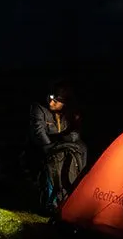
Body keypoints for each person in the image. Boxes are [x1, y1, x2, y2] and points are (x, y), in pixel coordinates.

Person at [27, 83, 87, 213]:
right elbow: (38, 131)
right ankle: (50, 202)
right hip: (44, 149)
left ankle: (74, 194)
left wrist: (72, 136)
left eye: (56, 101)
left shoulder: (70, 112)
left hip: (63, 147)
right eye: (51, 97)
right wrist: (49, 147)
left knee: (82, 149)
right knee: (52, 163)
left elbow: (77, 128)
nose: (51, 102)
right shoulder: (39, 108)